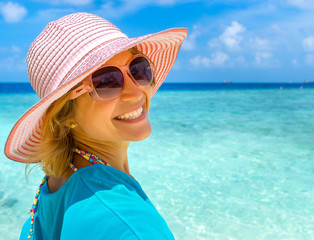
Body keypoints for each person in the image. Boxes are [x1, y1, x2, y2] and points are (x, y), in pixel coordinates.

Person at [4, 12, 187, 239]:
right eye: (106, 81)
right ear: (65, 114)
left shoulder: (55, 185)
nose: (135, 92)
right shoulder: (129, 224)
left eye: (138, 69)